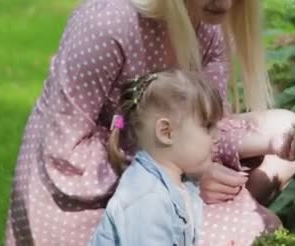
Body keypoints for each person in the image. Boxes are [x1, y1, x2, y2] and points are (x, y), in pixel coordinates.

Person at [5, 0, 295, 245]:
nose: (226, 2)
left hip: (167, 166)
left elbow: (208, 124)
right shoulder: (108, 23)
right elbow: (63, 151)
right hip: (83, 198)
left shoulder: (208, 27)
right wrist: (184, 171)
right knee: (257, 228)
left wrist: (275, 144)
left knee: (283, 129)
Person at [90, 70, 224, 245]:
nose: (218, 136)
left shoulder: (177, 184)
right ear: (166, 132)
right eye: (207, 126)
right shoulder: (147, 199)